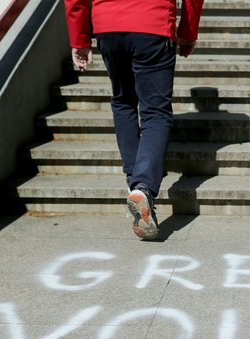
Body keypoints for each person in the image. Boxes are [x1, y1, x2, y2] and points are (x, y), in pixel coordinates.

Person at [63, 0, 204, 240]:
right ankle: (143, 186)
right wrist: (187, 31)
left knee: (123, 102)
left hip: (108, 27)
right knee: (155, 113)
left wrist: (80, 39)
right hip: (153, 24)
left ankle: (135, 184)